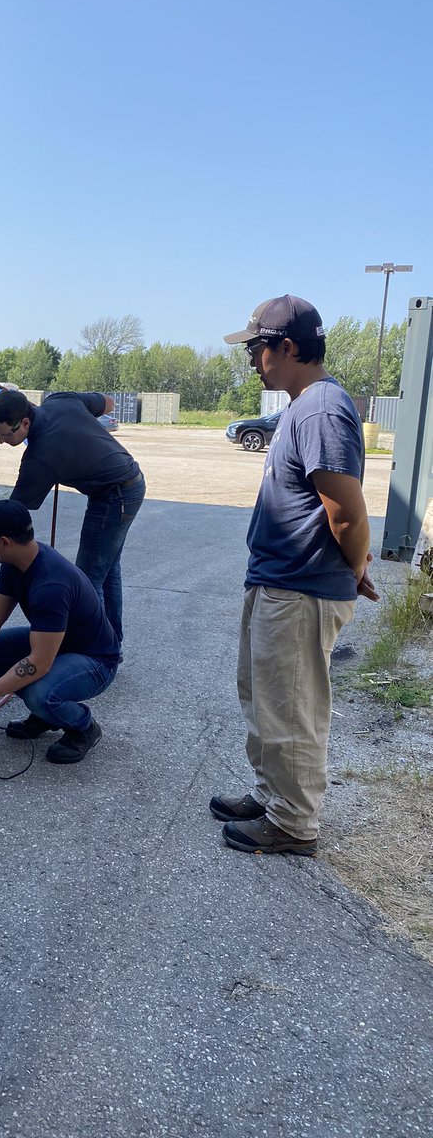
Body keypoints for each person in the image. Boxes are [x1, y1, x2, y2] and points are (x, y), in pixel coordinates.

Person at [211, 295, 379, 856]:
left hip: (301, 589)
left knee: (293, 708)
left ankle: (294, 823)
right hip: (278, 581)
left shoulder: (321, 409)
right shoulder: (302, 406)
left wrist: (352, 569)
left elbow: (348, 513)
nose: (253, 361)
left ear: (287, 347)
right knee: (264, 701)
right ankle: (272, 795)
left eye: (256, 349)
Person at [0, 390, 145, 647]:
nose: (1, 441)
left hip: (116, 496)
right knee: (107, 569)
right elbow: (107, 403)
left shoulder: (39, 458)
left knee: (89, 580)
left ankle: (96, 654)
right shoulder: (61, 401)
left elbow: (7, 519)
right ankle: (112, 644)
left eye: (5, 435)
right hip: (124, 484)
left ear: (24, 423)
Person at [0, 499, 120, 764]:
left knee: (40, 694)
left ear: (5, 542)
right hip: (59, 646)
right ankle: (46, 715)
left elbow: (39, 662)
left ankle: (82, 727)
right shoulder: (17, 563)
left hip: (95, 661)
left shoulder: (51, 585)